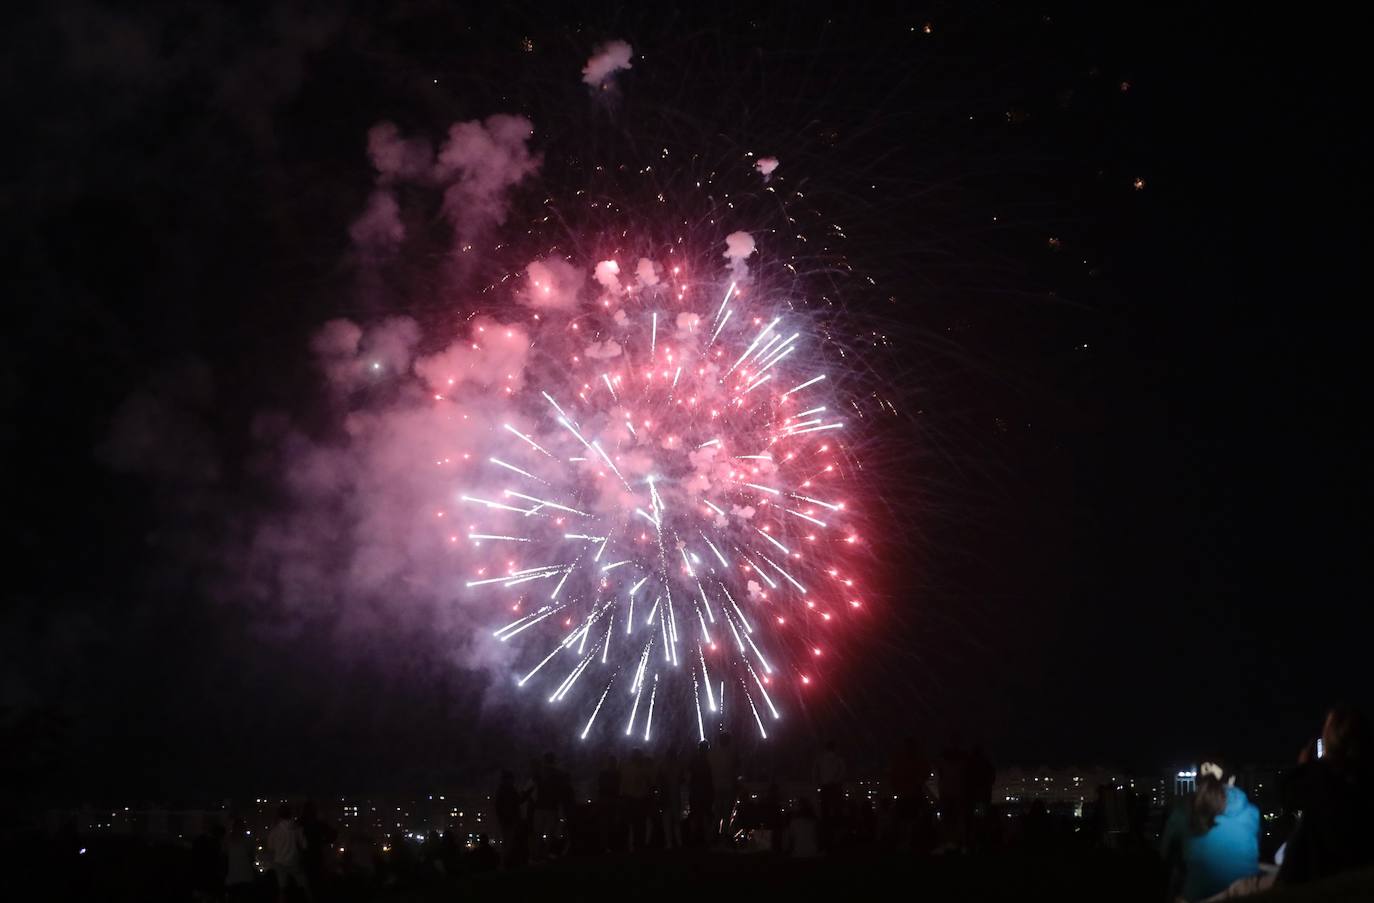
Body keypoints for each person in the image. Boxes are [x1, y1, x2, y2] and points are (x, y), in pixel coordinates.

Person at [1278, 704, 1374, 884]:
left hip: (1316, 878)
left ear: (1333, 737)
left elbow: (1287, 793)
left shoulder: (1322, 779)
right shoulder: (1364, 779)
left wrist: (1304, 767)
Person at [1159, 760, 1260, 902]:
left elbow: (1165, 853)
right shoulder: (1252, 812)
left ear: (1197, 783)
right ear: (1232, 780)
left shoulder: (1181, 812)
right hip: (1247, 896)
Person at [268, 803, 312, 902]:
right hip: (294, 861)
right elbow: (304, 845)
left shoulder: (275, 831)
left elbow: (270, 847)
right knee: (305, 886)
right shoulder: (296, 829)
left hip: (279, 862)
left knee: (282, 889)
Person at [812, 740, 847, 850]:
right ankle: (837, 837)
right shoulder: (838, 759)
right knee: (837, 812)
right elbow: (843, 772)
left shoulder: (820, 759)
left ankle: (827, 837)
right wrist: (836, 781)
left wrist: (819, 782)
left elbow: (814, 772)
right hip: (834, 787)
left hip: (825, 787)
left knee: (825, 812)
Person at [620, 748, 654, 850]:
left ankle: (632, 845)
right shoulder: (643, 769)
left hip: (631, 798)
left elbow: (623, 785)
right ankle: (640, 845)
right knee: (640, 823)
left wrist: (622, 797)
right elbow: (649, 784)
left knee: (632, 823)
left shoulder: (627, 768)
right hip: (639, 799)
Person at [708, 732, 738, 844]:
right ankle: (723, 839)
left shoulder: (712, 753)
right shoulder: (732, 753)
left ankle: (712, 838)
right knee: (726, 815)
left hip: (716, 787)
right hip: (729, 787)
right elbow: (736, 770)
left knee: (716, 815)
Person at [494, 770, 523, 868]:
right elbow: (517, 801)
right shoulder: (510, 790)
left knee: (507, 842)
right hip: (510, 820)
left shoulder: (501, 790)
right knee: (509, 842)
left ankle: (504, 863)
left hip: (506, 820)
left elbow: (498, 807)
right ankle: (504, 863)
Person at [688, 740, 714, 847]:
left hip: (695, 791)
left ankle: (693, 838)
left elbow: (689, 776)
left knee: (695, 815)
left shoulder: (694, 760)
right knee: (707, 815)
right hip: (707, 791)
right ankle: (708, 839)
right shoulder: (710, 760)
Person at [224, 816, 257, 901]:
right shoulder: (248, 841)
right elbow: (252, 858)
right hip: (244, 878)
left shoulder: (227, 841)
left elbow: (225, 858)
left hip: (234, 878)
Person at [657, 747, 684, 849]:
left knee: (666, 821)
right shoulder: (678, 766)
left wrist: (659, 795)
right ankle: (679, 841)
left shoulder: (662, 765)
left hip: (666, 796)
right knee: (676, 821)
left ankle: (669, 842)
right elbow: (682, 780)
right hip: (675, 796)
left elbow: (659, 782)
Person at [596, 755, 621, 852]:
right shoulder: (616, 774)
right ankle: (609, 845)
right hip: (609, 801)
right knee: (609, 823)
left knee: (607, 824)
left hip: (607, 801)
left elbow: (600, 788)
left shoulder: (605, 774)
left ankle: (606, 845)